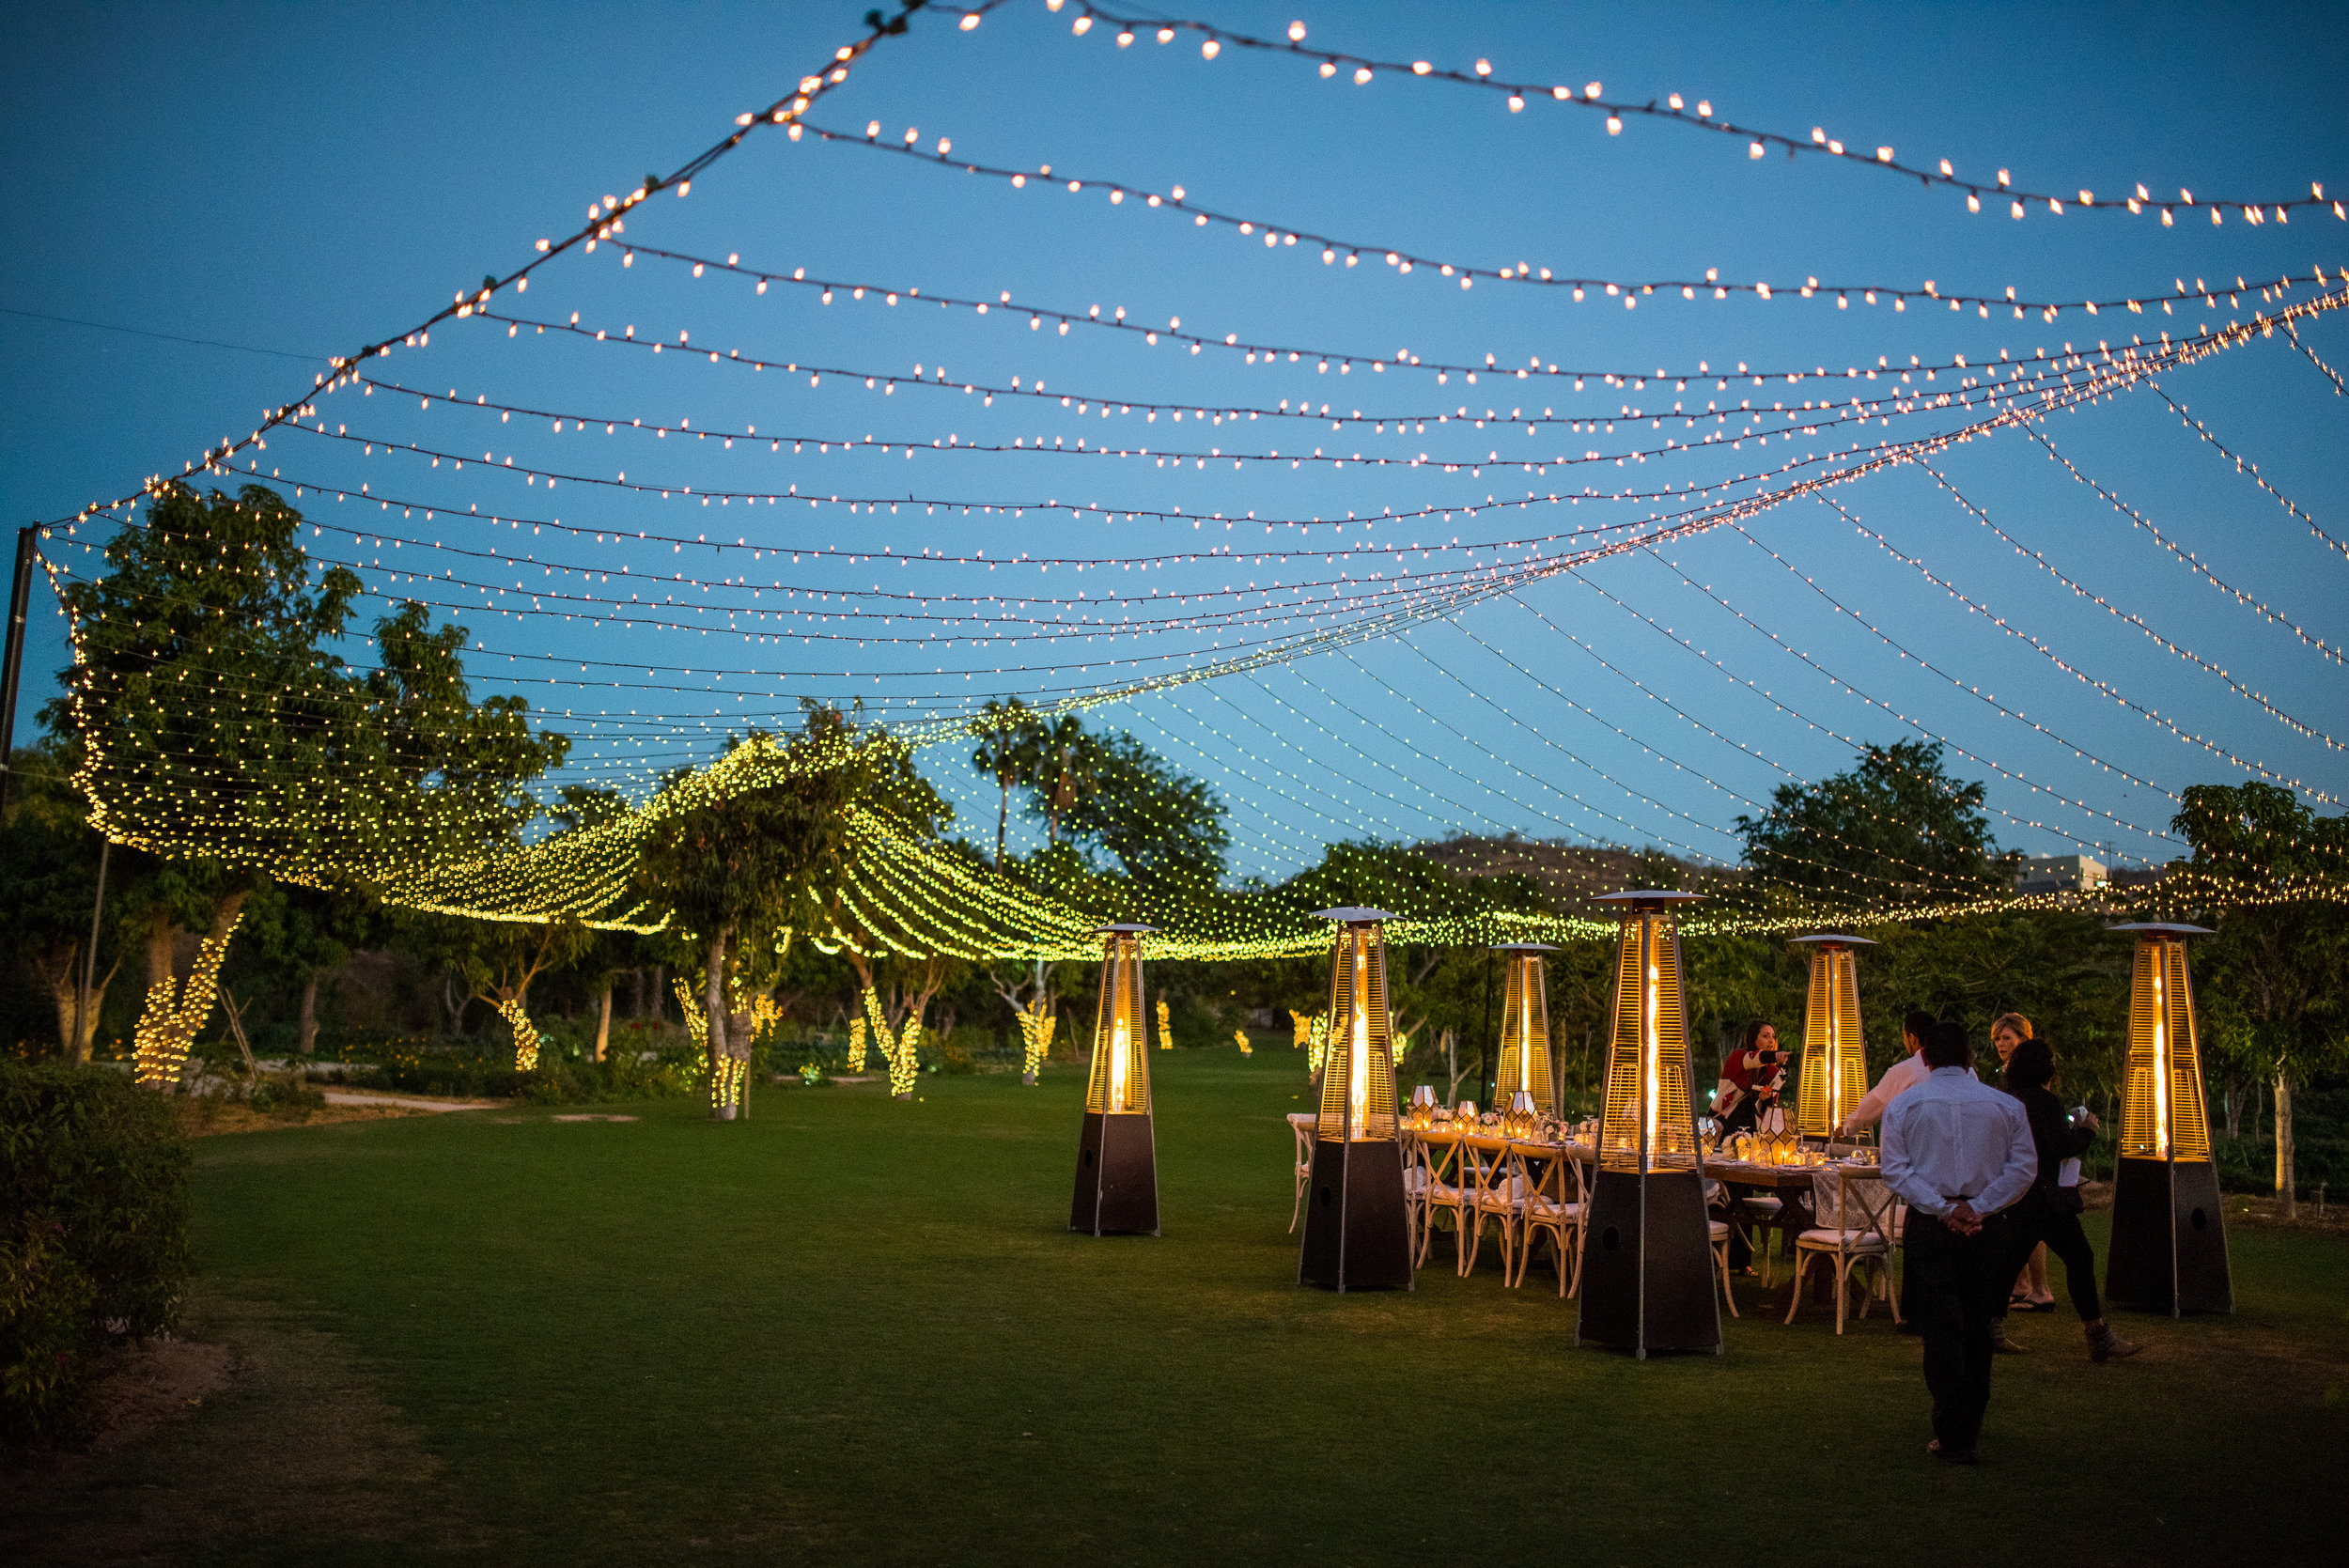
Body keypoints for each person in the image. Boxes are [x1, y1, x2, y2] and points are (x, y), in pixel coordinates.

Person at [1881, 1021, 2037, 1466]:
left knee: (1940, 1327)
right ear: (1971, 1057)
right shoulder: (2003, 1105)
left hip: (1933, 1225)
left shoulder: (1905, 1105)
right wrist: (1982, 1207)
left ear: (1925, 1058)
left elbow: (1895, 1169)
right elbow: (2023, 1169)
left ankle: (1952, 1426)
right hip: (1986, 1228)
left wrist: (1945, 1208)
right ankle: (1966, 1425)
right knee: (1978, 1323)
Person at [1993, 1039, 2141, 1363]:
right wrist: (2087, 1130)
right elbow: (2060, 1146)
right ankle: (2097, 1333)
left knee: (2010, 1260)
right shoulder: (2045, 1102)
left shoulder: (2009, 1099)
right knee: (2078, 1257)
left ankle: (1989, 1327)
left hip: (2018, 1192)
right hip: (2044, 1196)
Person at [1985, 1012, 2053, 1312]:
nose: (2001, 1043)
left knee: (2029, 1225)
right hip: (2009, 1153)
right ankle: (2022, 1285)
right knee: (2013, 1220)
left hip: (2027, 1155)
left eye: (2007, 1038)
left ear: (2023, 1040)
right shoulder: (2008, 1071)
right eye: (1998, 1038)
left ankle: (2040, 1289)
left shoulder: (2031, 1073)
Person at [1837, 1009, 1938, 1138]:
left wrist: (1847, 1128)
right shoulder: (1963, 1070)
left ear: (1912, 1039)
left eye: (1904, 1037)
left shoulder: (1904, 1071)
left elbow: (1872, 1107)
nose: (1904, 1042)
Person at [1715, 1019, 1786, 1139]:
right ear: (1753, 1038)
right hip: (1724, 1123)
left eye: (1773, 1037)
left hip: (1751, 1130)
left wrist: (1766, 1099)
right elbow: (1755, 1059)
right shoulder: (1739, 1058)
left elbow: (1769, 1112)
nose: (1771, 1041)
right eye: (1765, 1036)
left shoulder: (1773, 1072)